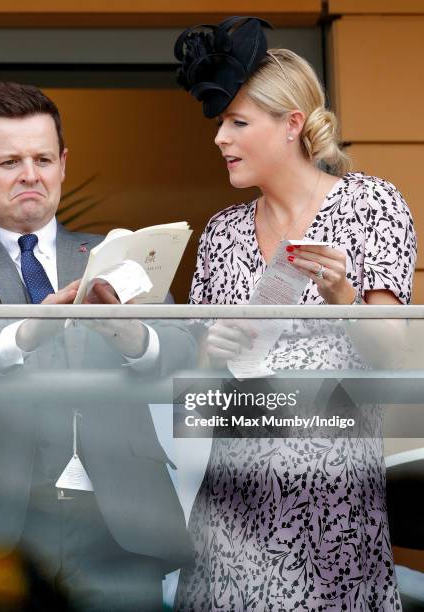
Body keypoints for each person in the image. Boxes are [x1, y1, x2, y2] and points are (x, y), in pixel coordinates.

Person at [0, 82, 195, 611]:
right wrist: (33, 327)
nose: (29, 175)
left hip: (120, 519)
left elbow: (179, 343)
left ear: (63, 163)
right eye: (9, 161)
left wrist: (134, 337)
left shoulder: (117, 254)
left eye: (42, 158)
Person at [173, 16, 416, 611]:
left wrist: (345, 303)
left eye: (237, 122)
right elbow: (202, 392)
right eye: (220, 123)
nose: (220, 139)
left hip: (333, 493)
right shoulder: (221, 232)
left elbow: (394, 355)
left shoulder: (371, 203)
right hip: (233, 495)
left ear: (291, 125)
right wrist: (216, 351)